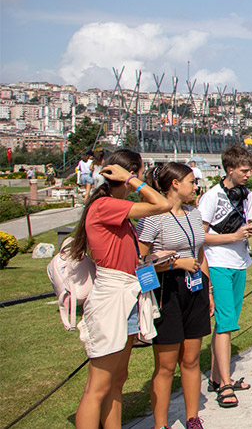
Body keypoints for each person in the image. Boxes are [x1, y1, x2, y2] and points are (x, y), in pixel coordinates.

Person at [72, 149, 172, 429]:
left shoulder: (113, 206)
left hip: (126, 294)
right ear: (130, 173)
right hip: (113, 297)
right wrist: (131, 180)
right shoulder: (106, 205)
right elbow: (162, 204)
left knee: (117, 379)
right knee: (97, 387)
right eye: (140, 171)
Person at [137, 163, 212, 427]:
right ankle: (161, 424)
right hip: (166, 290)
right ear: (175, 184)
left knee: (191, 360)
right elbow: (139, 262)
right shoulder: (152, 217)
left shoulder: (194, 213)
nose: (196, 187)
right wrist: (175, 264)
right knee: (166, 365)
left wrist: (208, 290)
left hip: (195, 287)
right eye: (192, 182)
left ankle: (193, 418)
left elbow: (200, 253)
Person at [199, 145, 252, 405]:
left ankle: (216, 377)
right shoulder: (212, 197)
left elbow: (249, 224)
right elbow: (200, 235)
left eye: (250, 170)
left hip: (239, 262)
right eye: (244, 170)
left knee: (228, 322)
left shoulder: (247, 196)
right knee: (225, 323)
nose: (248, 174)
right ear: (230, 169)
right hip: (217, 263)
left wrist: (250, 231)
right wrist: (233, 236)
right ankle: (225, 384)